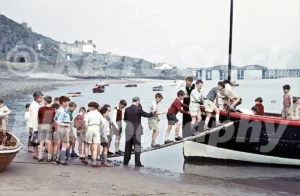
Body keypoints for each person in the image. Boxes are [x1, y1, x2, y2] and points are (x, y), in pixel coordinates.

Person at [123, 97, 155, 167]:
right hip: (136, 131)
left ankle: (125, 162)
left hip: (128, 130)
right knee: (137, 147)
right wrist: (153, 112)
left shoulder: (127, 109)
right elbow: (147, 115)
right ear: (138, 101)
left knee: (127, 147)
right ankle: (137, 163)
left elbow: (125, 119)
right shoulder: (138, 109)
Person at [81, 102, 102, 167]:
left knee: (87, 144)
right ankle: (94, 162)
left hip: (90, 128)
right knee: (95, 145)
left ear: (91, 107)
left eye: (89, 107)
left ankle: (86, 159)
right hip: (96, 128)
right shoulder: (99, 114)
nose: (88, 108)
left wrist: (86, 129)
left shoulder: (88, 114)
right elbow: (103, 122)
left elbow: (85, 123)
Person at [37, 96, 56, 162]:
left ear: (45, 101)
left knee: (41, 141)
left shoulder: (41, 108)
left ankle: (40, 157)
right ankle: (49, 157)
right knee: (49, 141)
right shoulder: (53, 110)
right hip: (49, 125)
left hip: (41, 124)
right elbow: (53, 118)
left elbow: (38, 116)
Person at [54, 96, 71, 166]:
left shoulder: (59, 110)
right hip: (64, 128)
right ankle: (61, 160)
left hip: (61, 128)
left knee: (65, 144)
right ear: (64, 103)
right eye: (67, 102)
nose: (68, 103)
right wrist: (66, 124)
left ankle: (58, 159)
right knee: (66, 144)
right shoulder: (62, 111)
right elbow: (58, 121)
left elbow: (55, 118)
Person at [28, 92, 43, 159]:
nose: (41, 99)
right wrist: (37, 127)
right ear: (36, 98)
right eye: (40, 97)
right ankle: (36, 154)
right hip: (34, 125)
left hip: (33, 125)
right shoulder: (34, 105)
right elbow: (35, 117)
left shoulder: (36, 104)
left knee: (35, 141)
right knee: (35, 141)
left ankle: (35, 153)